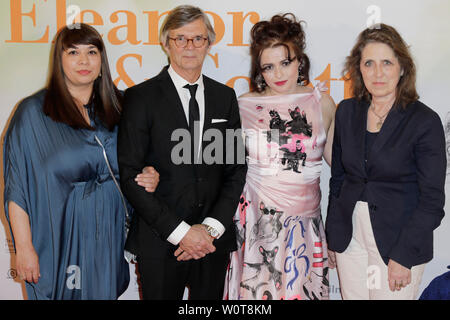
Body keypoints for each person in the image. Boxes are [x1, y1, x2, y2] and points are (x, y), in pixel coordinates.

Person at [3, 23, 158, 300]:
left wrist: (149, 173)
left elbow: (143, 163)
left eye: (92, 51)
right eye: (73, 52)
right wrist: (23, 249)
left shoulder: (123, 108)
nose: (84, 61)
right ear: (59, 60)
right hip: (55, 239)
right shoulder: (32, 114)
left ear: (102, 61)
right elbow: (17, 189)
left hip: (107, 240)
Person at [117, 5, 247, 300]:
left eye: (198, 38)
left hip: (212, 243)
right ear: (166, 43)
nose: (190, 46)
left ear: (209, 44)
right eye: (181, 38)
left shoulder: (224, 97)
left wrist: (209, 229)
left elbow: (235, 169)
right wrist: (183, 234)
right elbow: (129, 175)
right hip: (160, 241)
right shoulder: (140, 97)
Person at [326, 23, 446, 300]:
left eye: (386, 63)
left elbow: (432, 200)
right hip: (350, 239)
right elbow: (339, 180)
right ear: (359, 69)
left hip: (398, 242)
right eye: (369, 63)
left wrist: (404, 255)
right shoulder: (347, 112)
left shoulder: (424, 121)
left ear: (402, 68)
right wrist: (333, 235)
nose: (377, 73)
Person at [223, 13, 336, 300]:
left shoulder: (321, 103)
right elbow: (221, 167)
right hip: (257, 226)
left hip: (305, 227)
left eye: (286, 62)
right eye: (269, 67)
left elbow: (342, 166)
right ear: (260, 71)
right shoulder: (243, 106)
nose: (279, 74)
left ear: (300, 61)